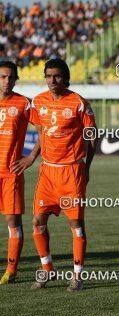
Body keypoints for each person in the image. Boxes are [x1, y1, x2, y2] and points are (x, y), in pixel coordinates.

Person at [30, 58, 97, 291]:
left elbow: (92, 136)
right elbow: (41, 133)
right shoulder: (38, 102)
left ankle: (77, 276)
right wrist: (31, 157)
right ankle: (47, 270)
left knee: (76, 223)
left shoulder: (78, 102)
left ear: (65, 78)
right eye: (48, 76)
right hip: (47, 171)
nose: (52, 80)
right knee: (37, 222)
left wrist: (86, 168)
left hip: (72, 172)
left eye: (57, 76)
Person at [0, 61, 40, 284]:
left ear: (16, 79)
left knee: (12, 221)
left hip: (10, 173)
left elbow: (45, 131)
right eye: (2, 77)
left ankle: (11, 270)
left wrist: (31, 157)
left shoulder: (24, 103)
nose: (6, 81)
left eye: (10, 77)